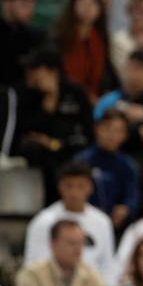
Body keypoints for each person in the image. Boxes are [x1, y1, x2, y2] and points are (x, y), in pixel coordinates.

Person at [16, 46, 93, 198]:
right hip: (40, 160)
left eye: (35, 69)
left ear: (52, 71)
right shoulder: (26, 94)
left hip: (72, 154)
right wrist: (47, 109)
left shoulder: (76, 92)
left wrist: (54, 144)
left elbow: (88, 132)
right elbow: (25, 133)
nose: (30, 73)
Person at [23, 162, 118, 284]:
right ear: (60, 187)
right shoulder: (43, 221)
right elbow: (33, 264)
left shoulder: (103, 222)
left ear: (90, 187)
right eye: (69, 186)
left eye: (80, 186)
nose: (74, 193)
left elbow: (107, 265)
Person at [74, 110, 140, 230]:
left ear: (125, 136)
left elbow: (132, 195)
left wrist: (126, 208)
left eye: (118, 131)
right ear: (97, 129)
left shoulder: (127, 165)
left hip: (115, 225)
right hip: (82, 223)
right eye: (107, 129)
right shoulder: (82, 161)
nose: (112, 135)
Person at [54, 0, 111, 103]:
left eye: (93, 3)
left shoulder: (101, 38)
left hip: (95, 95)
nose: (87, 6)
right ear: (73, 6)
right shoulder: (60, 36)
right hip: (65, 95)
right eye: (83, 1)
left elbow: (105, 74)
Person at [0, 0, 46, 87]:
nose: (30, 11)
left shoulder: (35, 36)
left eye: (32, 6)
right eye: (24, 5)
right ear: (6, 4)